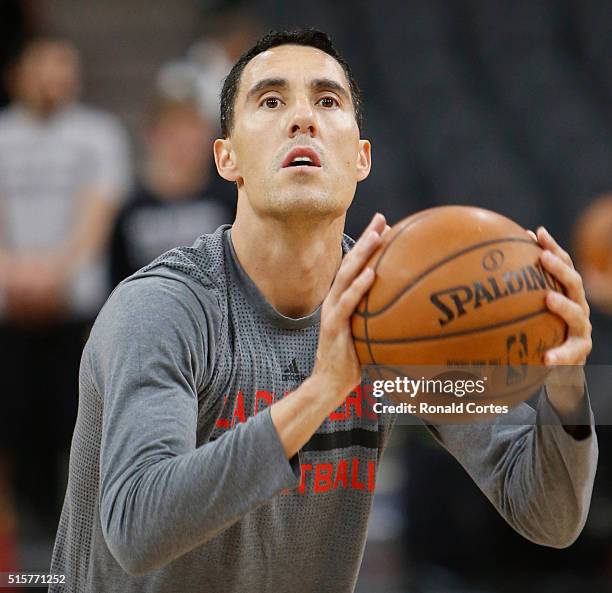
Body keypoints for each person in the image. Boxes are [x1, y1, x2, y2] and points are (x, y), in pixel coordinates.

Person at [50, 29, 597, 593]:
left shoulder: (395, 324)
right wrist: (321, 392)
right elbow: (137, 527)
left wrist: (564, 389)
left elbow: (548, 516)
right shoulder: (163, 309)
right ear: (226, 157)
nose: (302, 118)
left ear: (361, 158)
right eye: (270, 101)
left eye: (328, 100)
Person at [0, 36, 130, 548]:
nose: (57, 77)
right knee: (15, 444)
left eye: (65, 67)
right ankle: (26, 558)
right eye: (46, 66)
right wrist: (16, 274)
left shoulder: (97, 135)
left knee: (76, 441)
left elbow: (95, 217)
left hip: (76, 316)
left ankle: (79, 551)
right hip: (10, 315)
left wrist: (53, 273)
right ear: (18, 74)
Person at [109, 99, 234, 287]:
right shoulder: (131, 208)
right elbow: (118, 279)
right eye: (172, 134)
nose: (183, 145)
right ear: (151, 137)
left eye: (191, 134)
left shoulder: (229, 199)